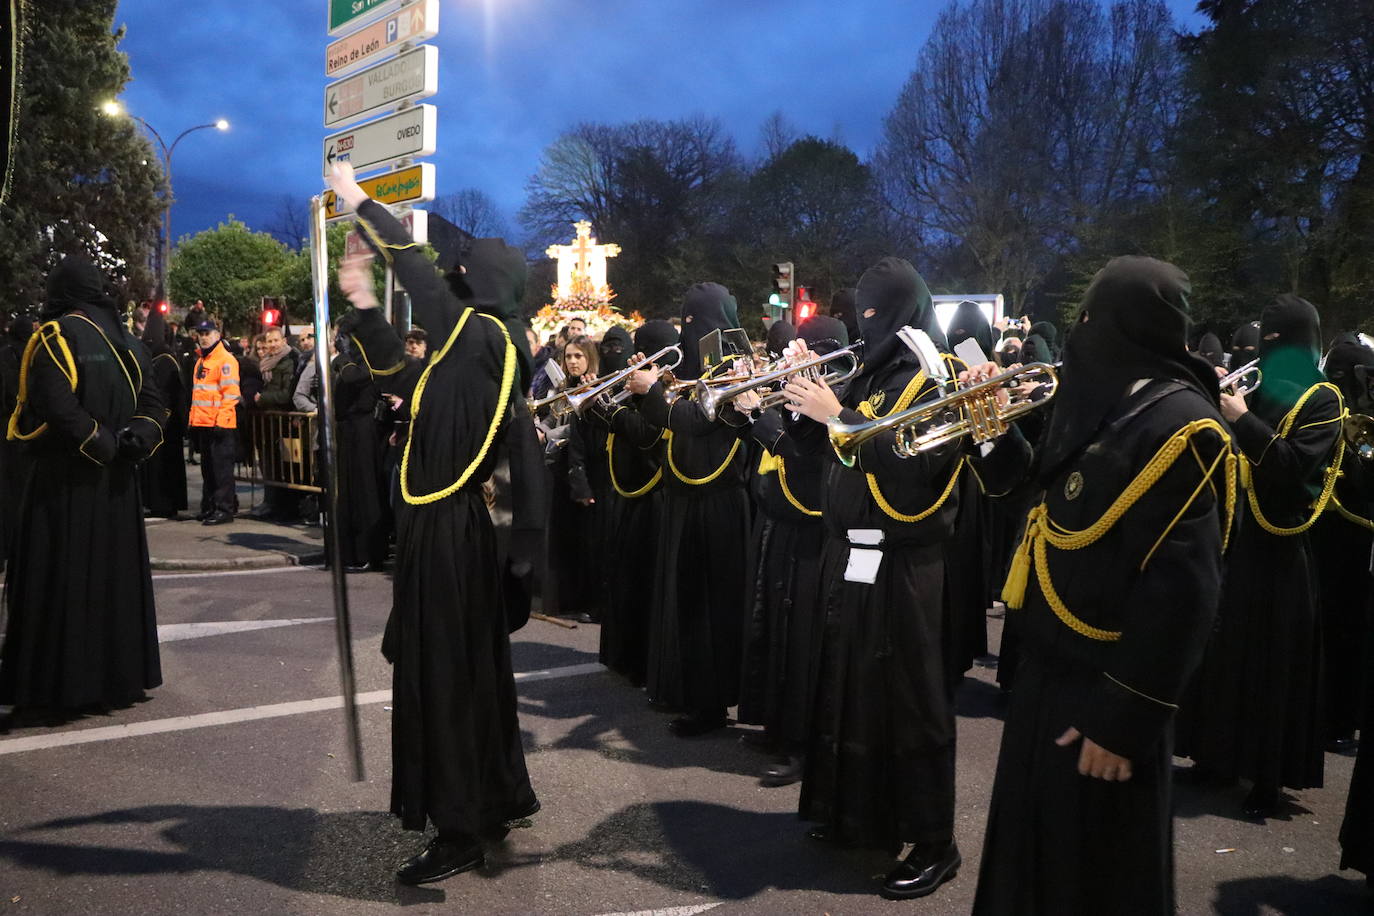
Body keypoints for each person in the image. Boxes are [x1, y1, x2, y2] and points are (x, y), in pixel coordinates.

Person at [966, 257, 1234, 916]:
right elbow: (1042, 509)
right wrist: (992, 431)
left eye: (1088, 317)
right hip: (1046, 680)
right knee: (1030, 869)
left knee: (1092, 880)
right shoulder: (1105, 404)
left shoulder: (1181, 425)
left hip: (1104, 695)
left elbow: (1183, 598)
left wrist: (1123, 723)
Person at [329, 161, 536, 885]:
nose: (443, 283)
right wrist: (360, 304)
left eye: (457, 275)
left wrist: (359, 200)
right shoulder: (464, 353)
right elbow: (397, 375)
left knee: (445, 682)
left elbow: (415, 269)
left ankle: (459, 830)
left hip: (450, 536)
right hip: (445, 534)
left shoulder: (482, 337)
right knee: (467, 679)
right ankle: (489, 800)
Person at [784, 257, 963, 900]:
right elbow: (819, 460)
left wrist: (840, 417)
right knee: (850, 690)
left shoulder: (932, 377)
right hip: (851, 555)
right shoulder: (869, 372)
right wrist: (800, 406)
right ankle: (858, 814)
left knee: (911, 702)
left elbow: (920, 480)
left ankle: (935, 840)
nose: (866, 325)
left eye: (874, 313)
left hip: (904, 563)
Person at [1178, 295, 1345, 818]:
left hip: (1281, 548)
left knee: (1272, 664)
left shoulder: (1324, 399)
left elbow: (1295, 473)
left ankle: (1268, 776)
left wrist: (1244, 418)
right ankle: (1216, 755)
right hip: (1233, 536)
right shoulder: (1257, 387)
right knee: (1223, 653)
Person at [0, 255, 165, 721]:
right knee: (114, 581)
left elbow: (56, 405)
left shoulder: (54, 336)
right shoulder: (130, 342)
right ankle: (115, 678)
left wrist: (101, 444)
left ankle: (60, 683)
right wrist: (133, 441)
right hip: (118, 486)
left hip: (65, 482)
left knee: (63, 580)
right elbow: (154, 405)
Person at [626, 282, 751, 737]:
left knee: (710, 607)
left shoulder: (735, 367)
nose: (687, 333)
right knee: (685, 600)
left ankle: (710, 703)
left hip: (718, 504)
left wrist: (651, 393)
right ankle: (686, 690)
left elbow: (698, 421)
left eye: (693, 322)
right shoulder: (696, 365)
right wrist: (654, 385)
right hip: (685, 496)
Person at [736, 315, 847, 788]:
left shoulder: (840, 398)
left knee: (805, 641)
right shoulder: (806, 394)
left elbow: (805, 461)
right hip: (780, 526)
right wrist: (746, 411)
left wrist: (762, 420)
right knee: (777, 631)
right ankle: (777, 726)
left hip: (813, 534)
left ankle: (803, 743)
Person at [584, 320, 677, 685]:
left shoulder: (671, 390)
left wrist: (614, 410)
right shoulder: (643, 382)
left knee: (642, 580)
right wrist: (594, 403)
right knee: (622, 575)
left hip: (653, 499)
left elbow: (647, 435)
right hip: (626, 493)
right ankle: (621, 654)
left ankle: (641, 660)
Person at [188, 317, 240, 525]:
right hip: (204, 424)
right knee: (209, 470)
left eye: (207, 333)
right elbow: (198, 395)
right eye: (200, 334)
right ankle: (211, 506)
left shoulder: (225, 360)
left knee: (221, 471)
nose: (203, 337)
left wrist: (222, 419)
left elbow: (231, 393)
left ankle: (224, 509)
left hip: (220, 425)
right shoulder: (202, 361)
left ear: (217, 336)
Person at [139, 302, 188, 519]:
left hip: (167, 423)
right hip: (157, 421)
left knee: (166, 466)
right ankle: (155, 501)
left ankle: (167, 503)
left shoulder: (166, 360)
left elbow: (170, 393)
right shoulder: (153, 359)